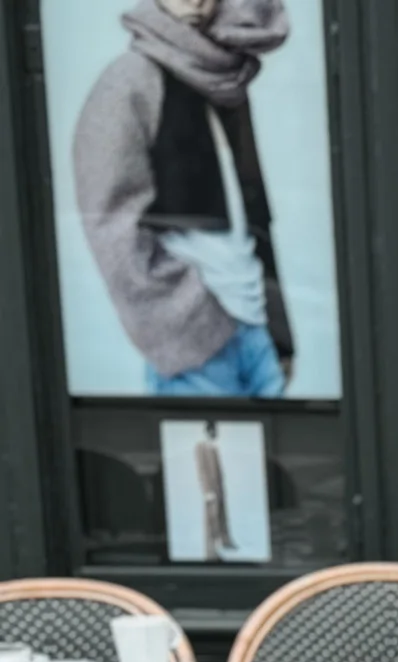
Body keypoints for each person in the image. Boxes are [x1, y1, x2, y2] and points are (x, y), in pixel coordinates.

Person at [73, 0, 293, 399]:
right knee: (206, 462)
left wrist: (280, 335)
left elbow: (254, 214)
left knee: (275, 461)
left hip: (256, 331)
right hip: (198, 344)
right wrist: (186, 327)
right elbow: (109, 223)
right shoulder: (129, 83)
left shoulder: (223, 79)